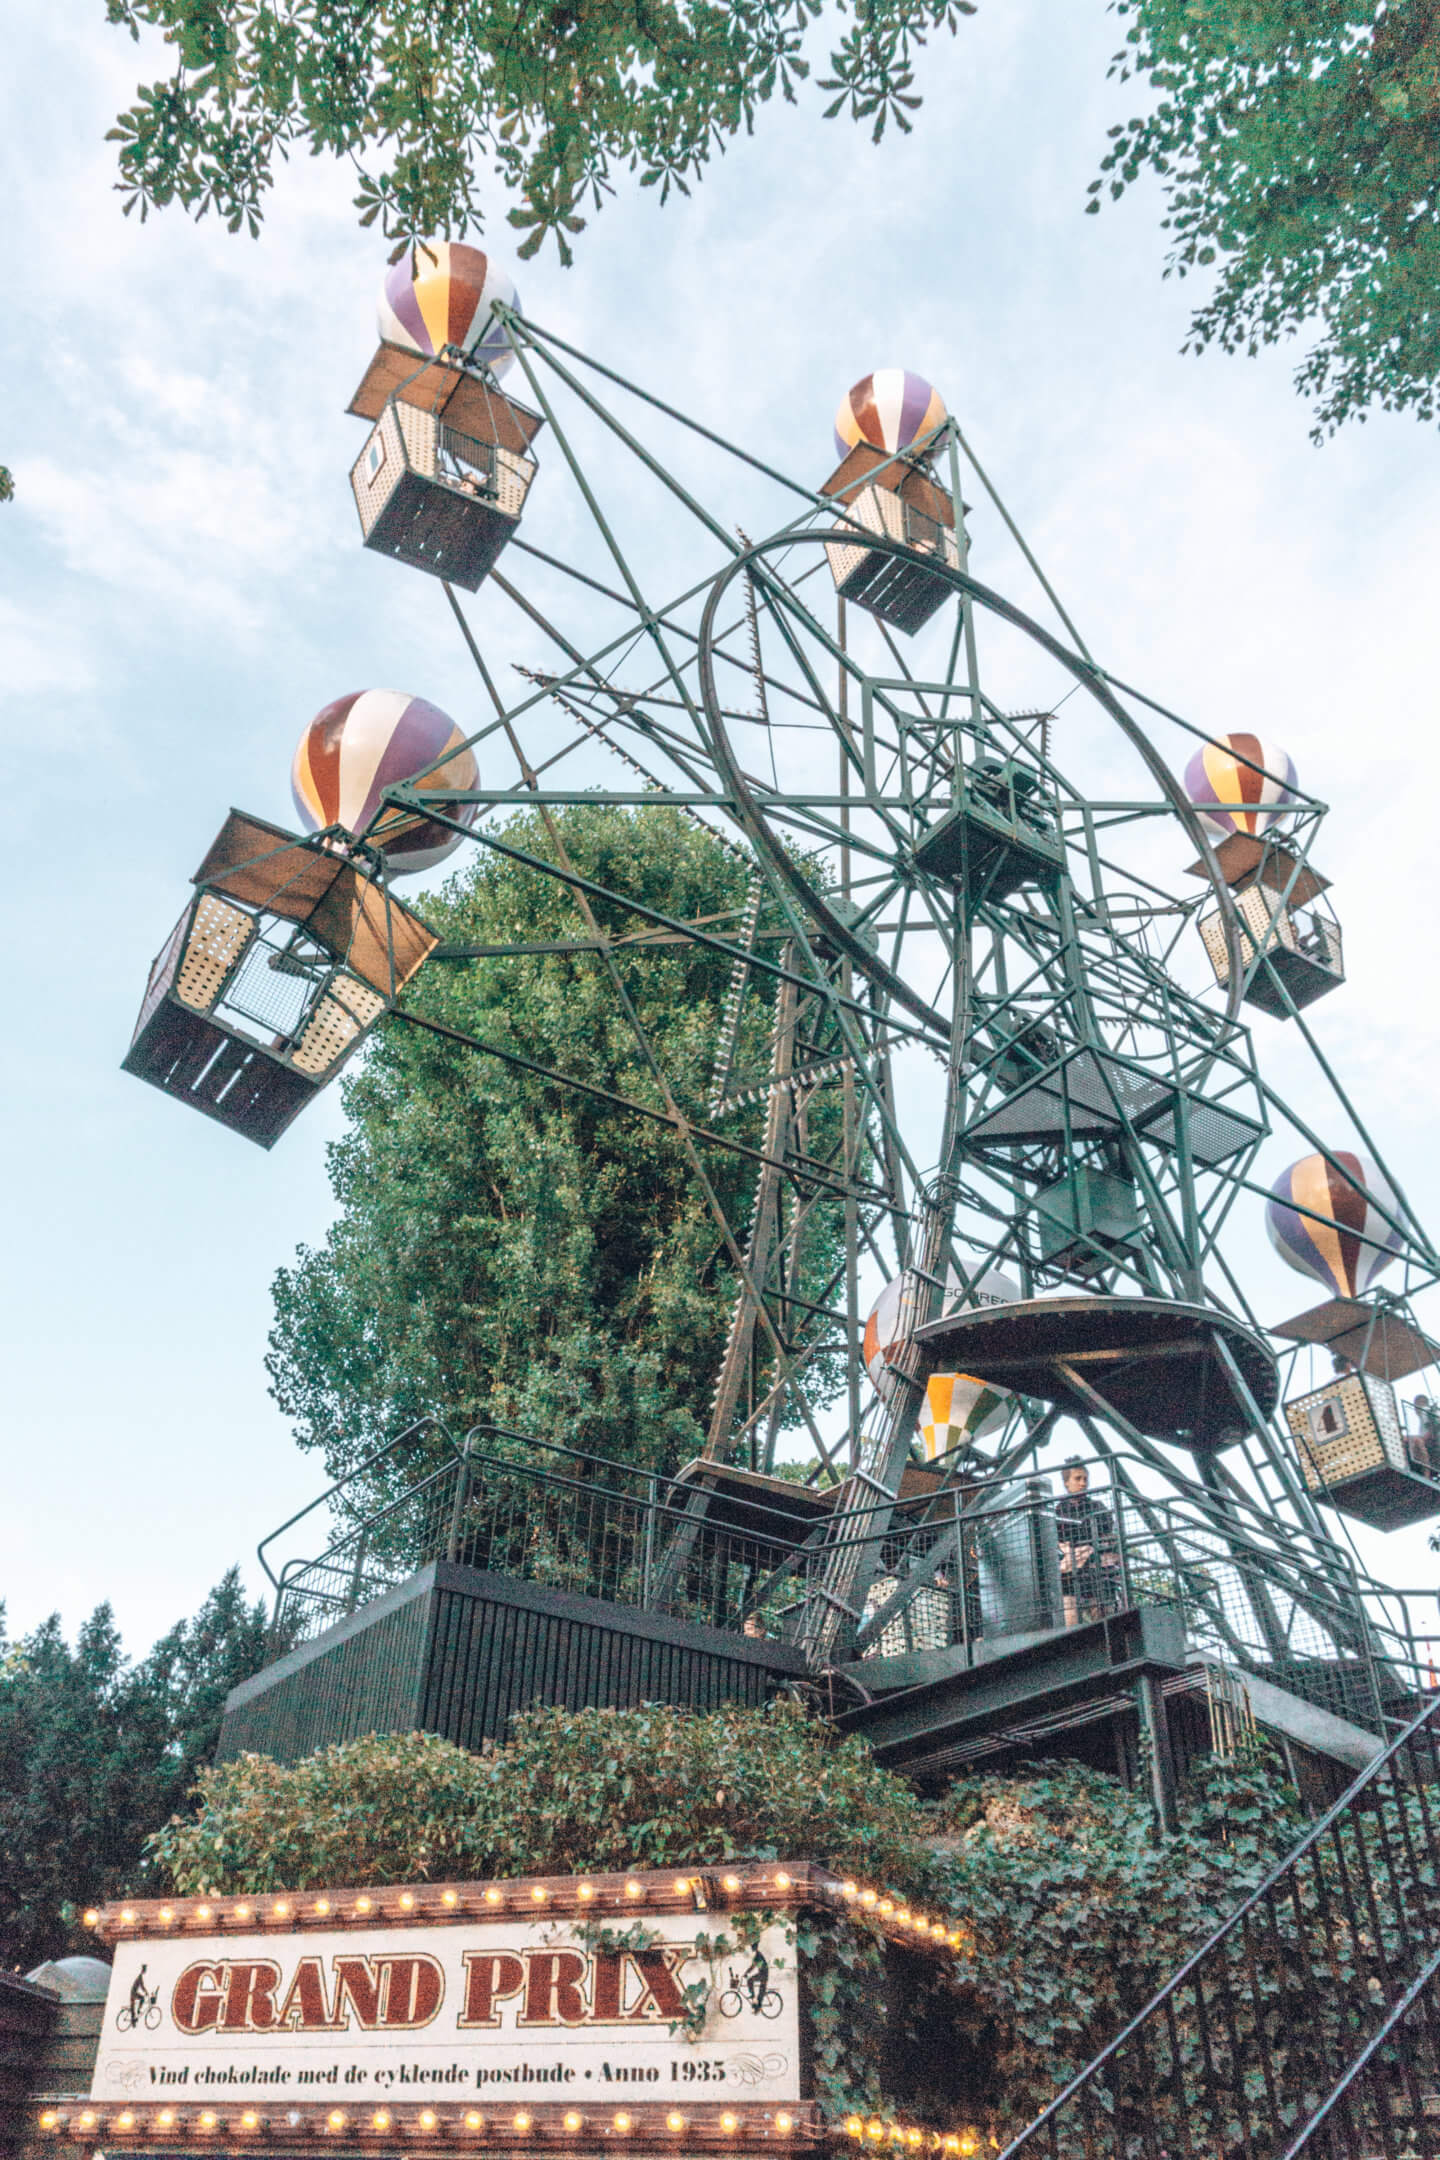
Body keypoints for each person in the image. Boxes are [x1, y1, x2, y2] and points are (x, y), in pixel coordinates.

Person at [1055, 1460, 1119, 1627]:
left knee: (1104, 1618)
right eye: (1078, 1478)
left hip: (1096, 1571)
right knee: (1069, 1619)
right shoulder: (1058, 1511)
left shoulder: (1098, 1507)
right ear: (1066, 1483)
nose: (1083, 1482)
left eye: (1085, 1478)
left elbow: (1109, 1538)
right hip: (1071, 1574)